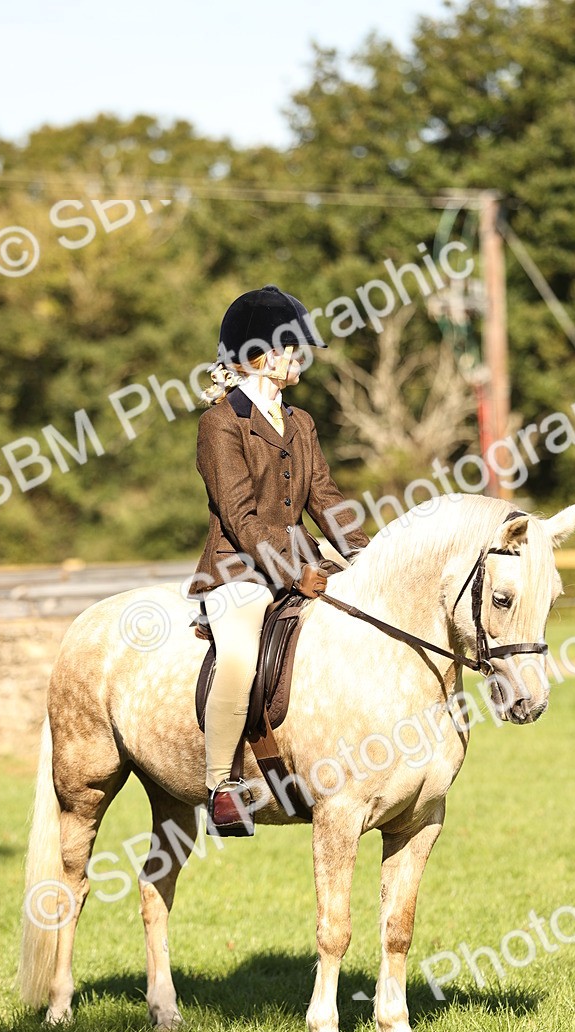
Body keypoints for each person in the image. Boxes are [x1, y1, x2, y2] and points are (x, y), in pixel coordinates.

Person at [187, 284, 370, 836]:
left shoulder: (301, 422)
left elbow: (325, 498)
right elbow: (240, 516)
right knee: (241, 656)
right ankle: (222, 785)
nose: (300, 359)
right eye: (293, 350)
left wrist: (366, 555)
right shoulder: (220, 424)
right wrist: (294, 571)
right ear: (263, 356)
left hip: (302, 564)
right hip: (238, 570)